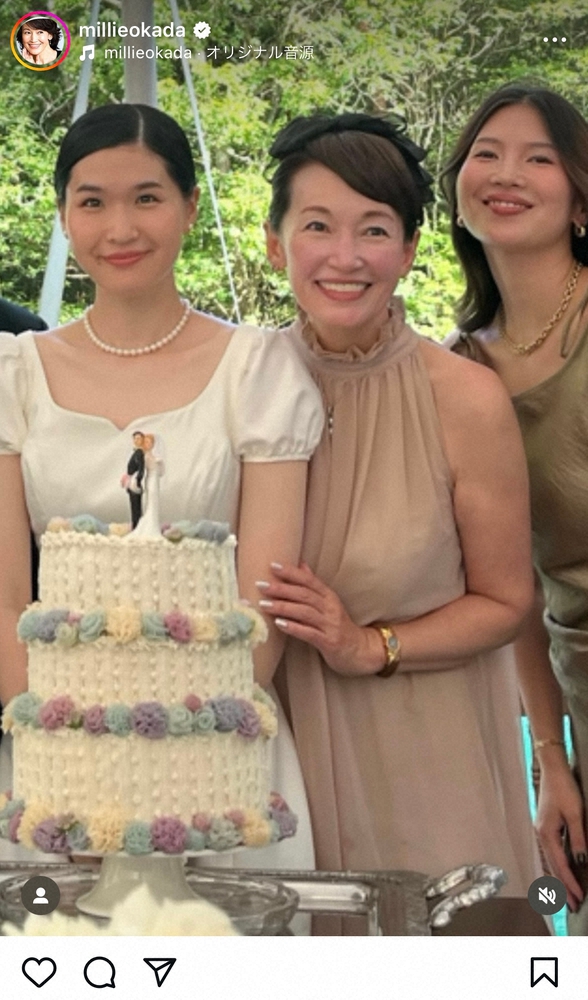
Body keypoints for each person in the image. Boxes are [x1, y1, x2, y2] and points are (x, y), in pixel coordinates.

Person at [0, 103, 323, 870]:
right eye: (92, 202)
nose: (121, 228)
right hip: (55, 774)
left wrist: (168, 762)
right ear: (64, 217)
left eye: (146, 198)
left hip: (217, 767)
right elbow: (5, 601)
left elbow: (263, 610)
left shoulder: (258, 369)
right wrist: (78, 752)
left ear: (188, 207)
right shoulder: (15, 374)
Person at [260, 112, 542, 928]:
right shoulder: (244, 382)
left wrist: (368, 645)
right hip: (279, 770)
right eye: (318, 226)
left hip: (428, 757)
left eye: (375, 229)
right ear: (276, 244)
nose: (345, 257)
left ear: (411, 249)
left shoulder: (466, 396)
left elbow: (506, 600)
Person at [442, 83, 588, 932]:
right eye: (486, 154)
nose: (506, 174)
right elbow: (512, 588)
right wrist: (551, 760)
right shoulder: (461, 370)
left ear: (580, 198)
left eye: (539, 158)